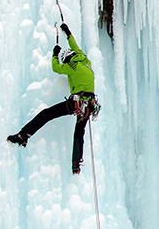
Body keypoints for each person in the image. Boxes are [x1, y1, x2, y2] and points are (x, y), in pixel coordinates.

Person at [8, 23, 100, 174]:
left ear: (68, 59)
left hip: (78, 101)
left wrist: (54, 54)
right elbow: (75, 46)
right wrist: (68, 33)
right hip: (90, 104)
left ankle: (23, 135)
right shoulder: (84, 60)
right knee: (79, 131)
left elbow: (56, 68)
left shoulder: (72, 66)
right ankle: (76, 164)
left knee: (47, 114)